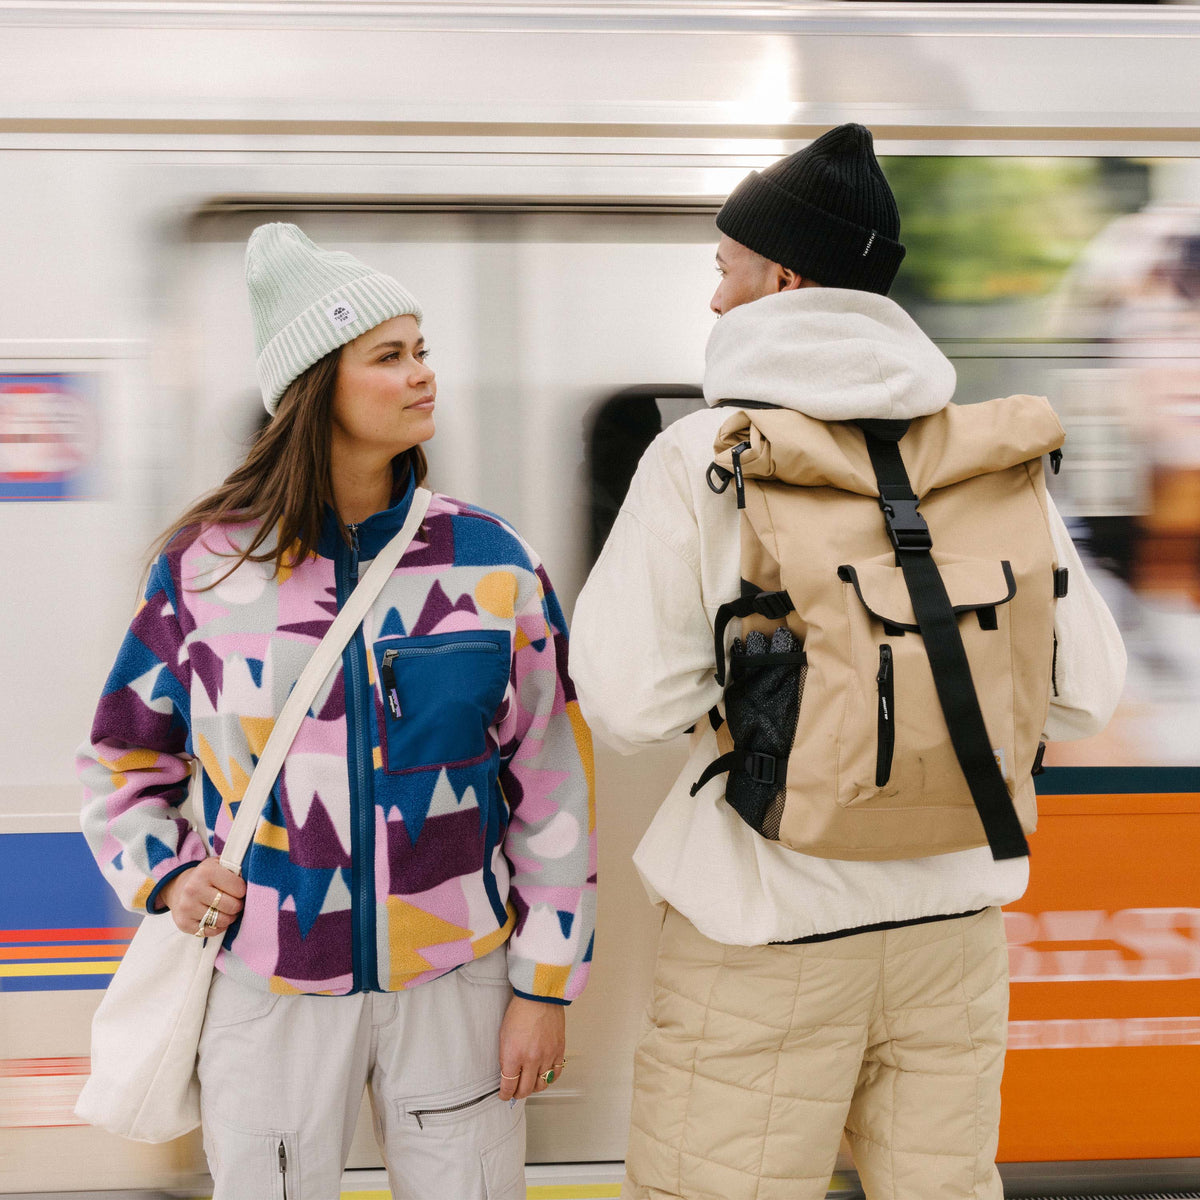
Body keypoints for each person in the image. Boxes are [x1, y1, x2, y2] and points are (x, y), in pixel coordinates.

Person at [569, 125, 1125, 1200]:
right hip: (953, 940)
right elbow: (1088, 695)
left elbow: (630, 701)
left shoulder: (708, 453)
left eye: (727, 271)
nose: (718, 302)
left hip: (768, 935)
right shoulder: (987, 457)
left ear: (785, 274)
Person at [78, 224, 596, 1200]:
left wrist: (544, 985)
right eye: (390, 356)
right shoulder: (204, 568)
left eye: (423, 351)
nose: (422, 376)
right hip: (267, 981)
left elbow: (550, 789)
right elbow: (120, 762)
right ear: (318, 386)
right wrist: (168, 877)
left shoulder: (492, 563)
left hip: (457, 975)